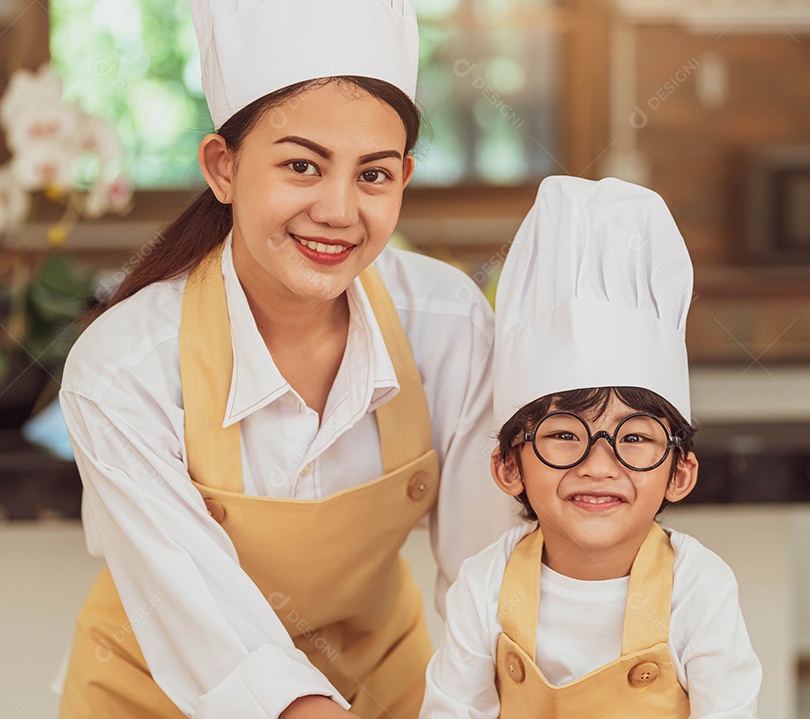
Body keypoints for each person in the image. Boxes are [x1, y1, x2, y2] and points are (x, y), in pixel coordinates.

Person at [55, 1, 515, 717]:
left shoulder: (449, 327)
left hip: (382, 687)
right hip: (159, 696)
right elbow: (204, 622)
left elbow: (488, 578)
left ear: (404, 177)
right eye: (302, 165)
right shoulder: (122, 368)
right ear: (224, 167)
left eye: (373, 175)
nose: (338, 210)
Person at [419, 176, 762, 718]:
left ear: (679, 472)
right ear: (508, 467)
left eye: (635, 438)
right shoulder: (484, 585)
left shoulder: (698, 589)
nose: (599, 466)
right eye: (564, 435)